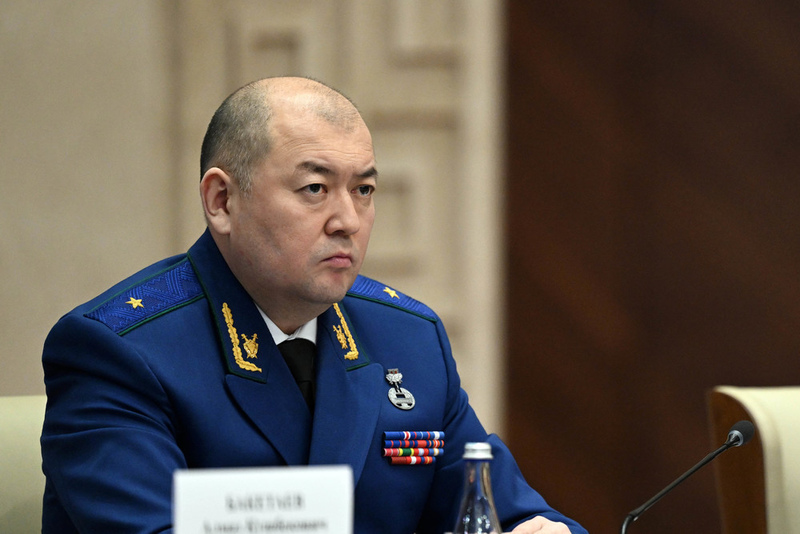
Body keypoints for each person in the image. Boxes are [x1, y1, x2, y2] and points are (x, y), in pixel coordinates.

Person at [40, 76, 588, 534]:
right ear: (222, 200)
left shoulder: (408, 339)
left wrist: (539, 529)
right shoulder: (118, 353)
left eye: (364, 190)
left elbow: (502, 510)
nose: (347, 220)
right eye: (315, 189)